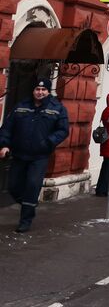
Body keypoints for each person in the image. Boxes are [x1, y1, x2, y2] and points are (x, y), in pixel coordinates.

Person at [0, 78, 69, 232]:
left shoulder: (57, 108)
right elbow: (7, 127)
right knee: (13, 187)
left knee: (32, 185)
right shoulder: (21, 106)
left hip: (39, 156)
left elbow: (63, 130)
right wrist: (4, 144)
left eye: (43, 90)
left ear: (48, 91)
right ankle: (28, 204)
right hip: (19, 154)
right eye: (37, 89)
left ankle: (25, 221)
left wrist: (48, 142)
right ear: (33, 91)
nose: (40, 92)